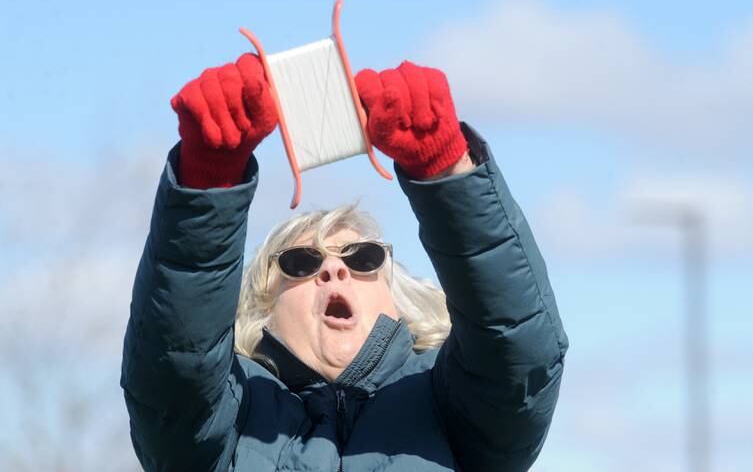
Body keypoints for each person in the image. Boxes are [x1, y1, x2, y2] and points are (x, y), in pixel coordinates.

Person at [121, 53, 569, 471]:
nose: (334, 270)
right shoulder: (230, 417)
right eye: (300, 262)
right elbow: (175, 371)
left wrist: (447, 167)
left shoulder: (452, 404)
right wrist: (208, 182)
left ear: (397, 297)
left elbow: (519, 355)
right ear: (263, 309)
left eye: (363, 257)